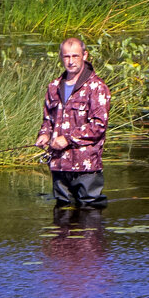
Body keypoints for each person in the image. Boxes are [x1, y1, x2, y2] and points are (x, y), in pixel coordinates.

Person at [35, 37, 110, 209]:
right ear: (61, 57)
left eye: (75, 56)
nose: (70, 61)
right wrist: (44, 135)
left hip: (86, 166)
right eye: (66, 56)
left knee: (89, 215)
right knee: (62, 213)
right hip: (59, 164)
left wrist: (67, 139)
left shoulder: (96, 87)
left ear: (84, 55)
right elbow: (48, 120)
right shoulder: (53, 86)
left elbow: (98, 126)